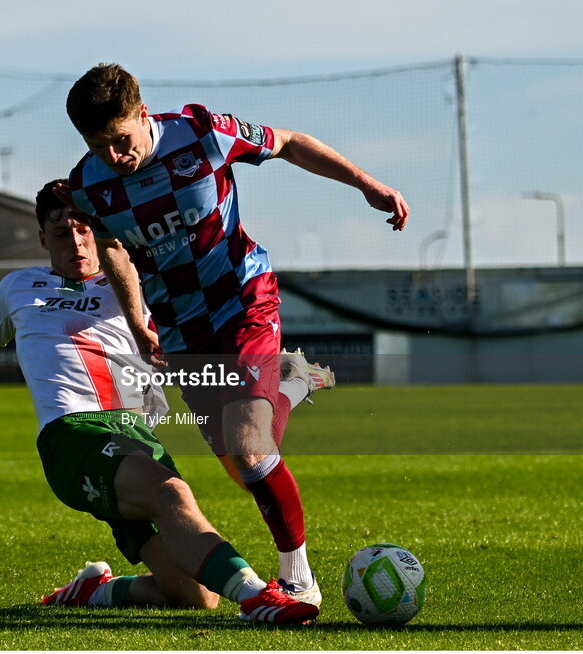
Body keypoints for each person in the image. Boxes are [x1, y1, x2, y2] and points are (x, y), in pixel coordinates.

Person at [0, 181, 319, 625]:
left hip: (136, 436)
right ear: (43, 239)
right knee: (173, 496)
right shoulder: (19, 288)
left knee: (194, 595)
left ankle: (96, 591)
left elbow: (190, 347)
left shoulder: (136, 282)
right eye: (62, 231)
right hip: (74, 435)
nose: (77, 241)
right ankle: (260, 598)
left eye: (85, 229)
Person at [63, 63, 410, 607]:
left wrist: (366, 184)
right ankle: (293, 385)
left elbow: (290, 143)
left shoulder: (202, 134)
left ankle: (300, 582)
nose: (114, 156)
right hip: (182, 331)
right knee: (238, 462)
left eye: (120, 139)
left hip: (242, 301)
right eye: (98, 145)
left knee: (250, 448)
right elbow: (111, 248)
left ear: (141, 113)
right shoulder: (87, 185)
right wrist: (138, 321)